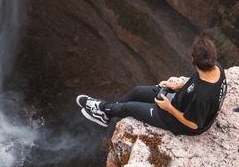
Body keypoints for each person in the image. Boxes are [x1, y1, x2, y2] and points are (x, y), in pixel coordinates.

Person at [77, 34, 227, 135]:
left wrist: (169, 108)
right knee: (137, 91)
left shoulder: (202, 96)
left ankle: (103, 108)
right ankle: (106, 114)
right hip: (180, 101)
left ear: (194, 61)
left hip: (177, 122)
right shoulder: (215, 67)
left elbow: (194, 124)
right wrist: (178, 86)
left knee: (130, 108)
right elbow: (197, 82)